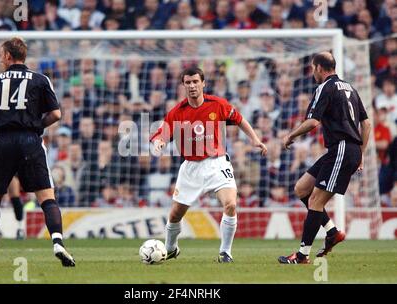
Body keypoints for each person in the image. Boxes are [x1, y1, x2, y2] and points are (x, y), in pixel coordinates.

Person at [0, 37, 75, 267]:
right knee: (47, 198)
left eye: (1, 54)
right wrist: (37, 126)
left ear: (8, 56)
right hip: (30, 140)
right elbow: (56, 114)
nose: (0, 59)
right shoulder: (40, 80)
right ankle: (58, 243)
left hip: (3, 141)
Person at [150, 67, 267, 263]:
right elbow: (160, 134)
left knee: (230, 204)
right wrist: (159, 142)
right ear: (183, 85)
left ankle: (225, 252)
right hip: (191, 168)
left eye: (195, 81)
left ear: (203, 83)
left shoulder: (218, 104)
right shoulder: (177, 112)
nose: (192, 86)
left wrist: (254, 139)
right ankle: (170, 248)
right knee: (175, 213)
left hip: (217, 163)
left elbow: (240, 119)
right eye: (188, 82)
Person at [279, 52, 371, 264]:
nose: (312, 73)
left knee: (315, 200)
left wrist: (290, 135)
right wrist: (361, 153)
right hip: (343, 150)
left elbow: (313, 122)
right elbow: (366, 124)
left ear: (319, 68)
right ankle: (332, 232)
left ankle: (302, 255)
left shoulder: (324, 87)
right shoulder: (350, 88)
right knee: (302, 189)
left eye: (313, 69)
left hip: (342, 148)